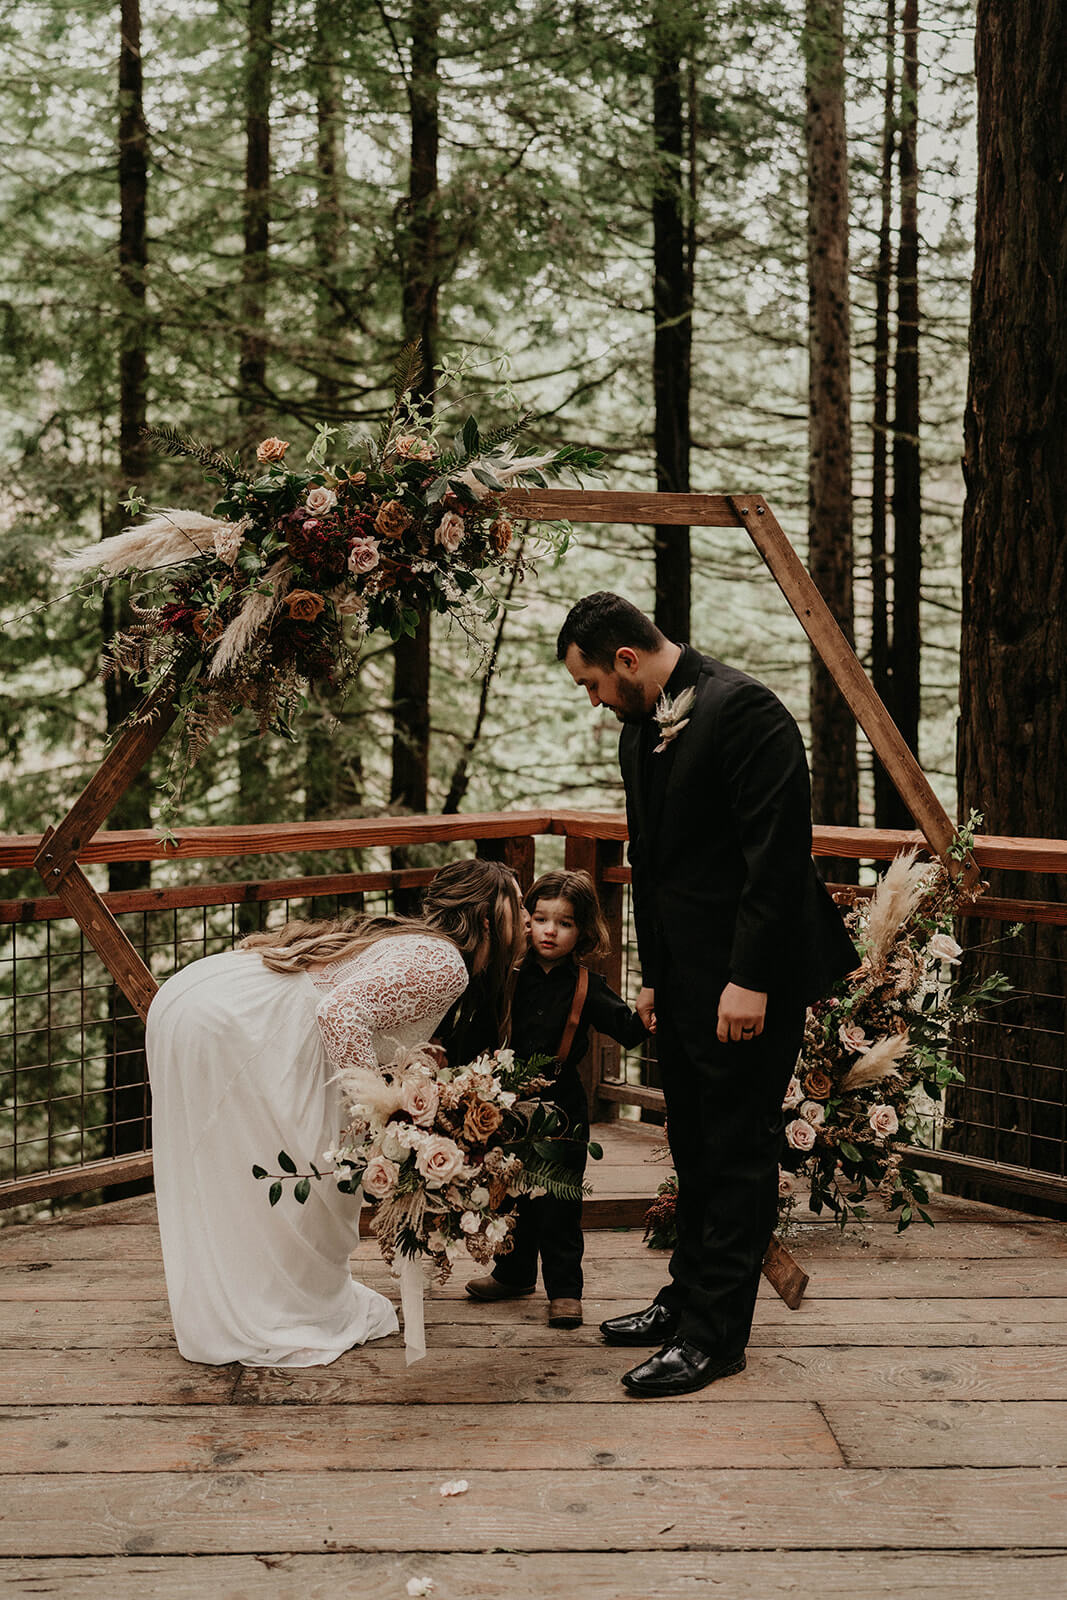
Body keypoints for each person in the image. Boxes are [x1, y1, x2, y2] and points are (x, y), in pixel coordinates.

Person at [557, 592, 857, 1397]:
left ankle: (716, 1336)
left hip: (748, 979)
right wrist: (651, 975)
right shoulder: (639, 727)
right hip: (685, 977)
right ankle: (685, 1297)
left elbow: (775, 857)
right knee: (690, 1140)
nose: (590, 701)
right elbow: (651, 865)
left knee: (734, 1150)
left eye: (590, 682)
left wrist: (750, 979)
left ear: (625, 659)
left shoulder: (746, 711)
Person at [146, 857, 523, 1368]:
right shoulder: (447, 964)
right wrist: (375, 1119)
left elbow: (364, 1010)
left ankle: (258, 1303)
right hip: (255, 1033)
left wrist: (406, 1064)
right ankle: (277, 1312)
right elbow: (341, 1011)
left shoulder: (421, 945)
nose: (525, 919)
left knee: (267, 1177)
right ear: (485, 918)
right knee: (313, 1178)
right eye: (518, 906)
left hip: (222, 1009)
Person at [464, 869, 646, 1329]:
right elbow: (477, 1033)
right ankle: (514, 1273)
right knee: (510, 1194)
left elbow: (629, 1031)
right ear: (525, 921)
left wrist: (652, 1006)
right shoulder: (506, 976)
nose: (550, 930)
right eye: (541, 918)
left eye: (564, 923)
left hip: (562, 1108)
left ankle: (564, 1290)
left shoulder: (588, 986)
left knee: (560, 1201)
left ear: (582, 931)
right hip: (504, 1105)